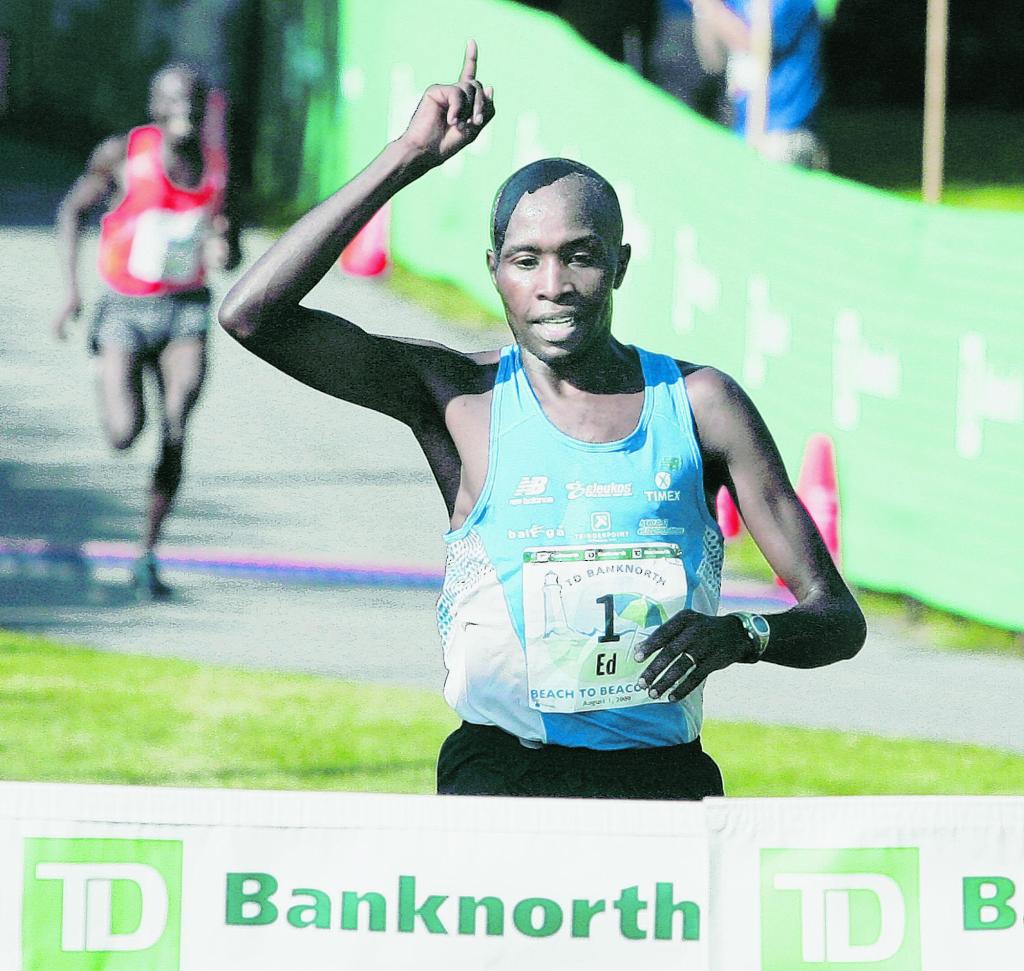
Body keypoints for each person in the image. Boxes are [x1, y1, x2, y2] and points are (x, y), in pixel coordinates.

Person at [219, 42, 865, 800]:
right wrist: (407, 157)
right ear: (494, 267)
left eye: (580, 257)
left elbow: (836, 618)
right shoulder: (461, 398)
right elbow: (253, 315)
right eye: (526, 261)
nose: (553, 286)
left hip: (659, 784)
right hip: (499, 777)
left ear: (620, 264)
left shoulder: (699, 404)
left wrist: (740, 635)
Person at [53, 63, 240, 598]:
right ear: (156, 107)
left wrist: (227, 248)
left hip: (186, 310)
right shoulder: (124, 154)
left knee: (177, 428)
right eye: (175, 100)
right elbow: (72, 212)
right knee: (123, 434)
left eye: (195, 101)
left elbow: (232, 242)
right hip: (125, 309)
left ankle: (146, 554)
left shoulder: (218, 167)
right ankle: (107, 369)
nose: (186, 110)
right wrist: (71, 291)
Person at [692, 0, 827, 168]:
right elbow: (712, 62)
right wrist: (705, 12)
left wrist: (710, 7)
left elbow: (753, 44)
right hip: (743, 129)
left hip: (785, 134)